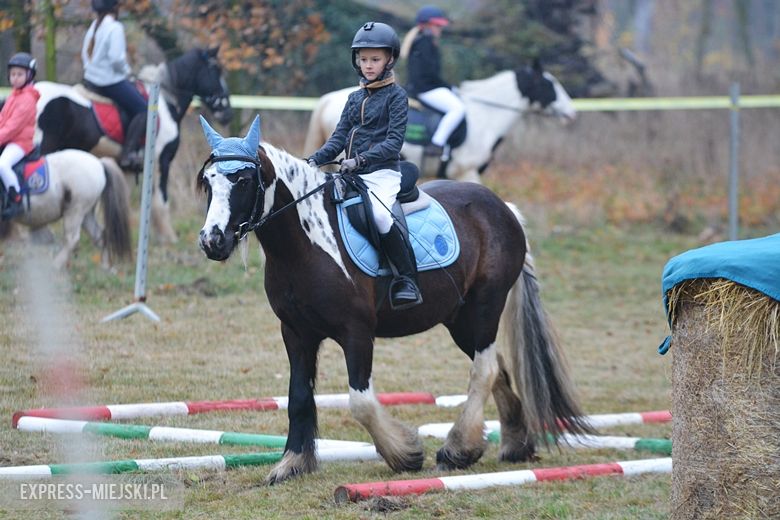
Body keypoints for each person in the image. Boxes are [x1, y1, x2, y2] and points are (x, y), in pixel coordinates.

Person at [308, 22, 421, 310]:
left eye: (375, 59)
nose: (368, 65)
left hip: (383, 173)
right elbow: (337, 140)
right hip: (351, 174)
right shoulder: (353, 98)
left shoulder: (397, 96)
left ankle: (406, 278)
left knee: (382, 218)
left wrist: (360, 160)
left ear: (389, 59)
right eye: (364, 59)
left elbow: (394, 143)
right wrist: (313, 159)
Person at [81, 0, 146, 171]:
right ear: (115, 8)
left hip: (90, 79)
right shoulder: (115, 27)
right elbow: (117, 59)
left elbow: (84, 55)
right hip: (108, 81)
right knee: (143, 109)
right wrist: (128, 73)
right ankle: (128, 153)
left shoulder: (95, 25)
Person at [402, 5, 465, 160]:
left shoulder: (424, 41)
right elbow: (429, 74)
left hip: (427, 87)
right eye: (437, 25)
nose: (440, 29)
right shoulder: (424, 42)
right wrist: (449, 87)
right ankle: (437, 143)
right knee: (458, 109)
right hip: (425, 89)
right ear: (426, 25)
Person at [0, 52, 40, 220]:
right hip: (9, 138)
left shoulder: (27, 99)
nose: (15, 78)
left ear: (29, 76)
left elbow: (13, 127)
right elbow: (3, 118)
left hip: (20, 142)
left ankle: (15, 197)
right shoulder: (13, 95)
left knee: (2, 164)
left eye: (20, 74)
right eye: (12, 74)